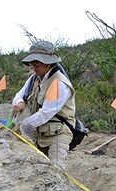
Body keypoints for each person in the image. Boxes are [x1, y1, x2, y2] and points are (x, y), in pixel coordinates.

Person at [12, 40, 77, 169]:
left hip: (58, 136)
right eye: (32, 63)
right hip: (40, 135)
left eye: (37, 63)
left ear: (49, 62)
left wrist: (23, 126)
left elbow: (45, 113)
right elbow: (19, 94)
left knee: (56, 171)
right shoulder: (34, 78)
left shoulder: (59, 83)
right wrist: (20, 102)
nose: (34, 67)